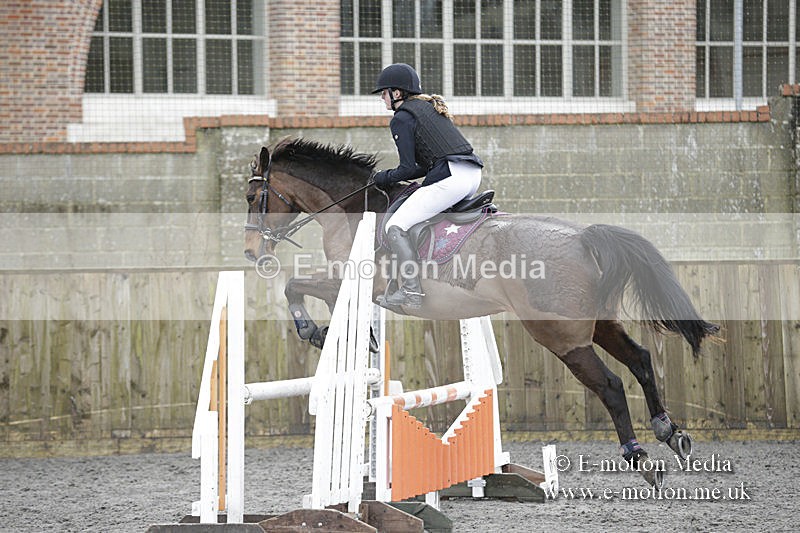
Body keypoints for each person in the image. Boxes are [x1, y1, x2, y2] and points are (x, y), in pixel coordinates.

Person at [372, 63, 484, 310]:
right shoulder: (426, 107)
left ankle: (411, 290)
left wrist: (382, 177)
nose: (382, 97)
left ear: (397, 93)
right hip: (471, 175)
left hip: (451, 179)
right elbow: (421, 167)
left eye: (384, 92)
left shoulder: (402, 117)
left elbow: (407, 169)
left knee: (395, 225)